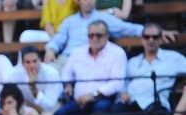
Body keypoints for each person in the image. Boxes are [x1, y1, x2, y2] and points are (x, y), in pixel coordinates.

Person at [43, 0, 174, 67]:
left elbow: (129, 28)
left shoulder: (104, 18)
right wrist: (50, 50)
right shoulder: (69, 21)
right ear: (78, 1)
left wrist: (157, 32)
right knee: (49, 72)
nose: (88, 1)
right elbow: (58, 39)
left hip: (91, 60)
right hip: (68, 59)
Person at [54, 20, 126, 115]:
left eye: (99, 35)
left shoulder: (117, 53)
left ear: (107, 36)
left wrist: (93, 95)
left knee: (100, 110)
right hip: (79, 100)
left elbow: (117, 83)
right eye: (91, 35)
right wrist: (68, 86)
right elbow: (66, 73)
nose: (94, 39)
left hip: (103, 99)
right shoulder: (77, 52)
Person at [114, 23, 186, 115]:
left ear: (161, 39)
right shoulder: (133, 62)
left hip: (155, 103)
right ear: (142, 40)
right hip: (130, 102)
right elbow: (123, 83)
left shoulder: (173, 58)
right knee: (113, 111)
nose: (150, 40)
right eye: (146, 37)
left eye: (155, 37)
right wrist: (123, 93)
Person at [9, 46, 63, 115]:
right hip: (28, 105)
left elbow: (49, 106)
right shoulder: (14, 73)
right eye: (28, 62)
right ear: (22, 63)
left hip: (52, 105)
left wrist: (33, 89)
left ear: (40, 60)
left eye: (35, 61)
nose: (32, 66)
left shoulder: (51, 73)